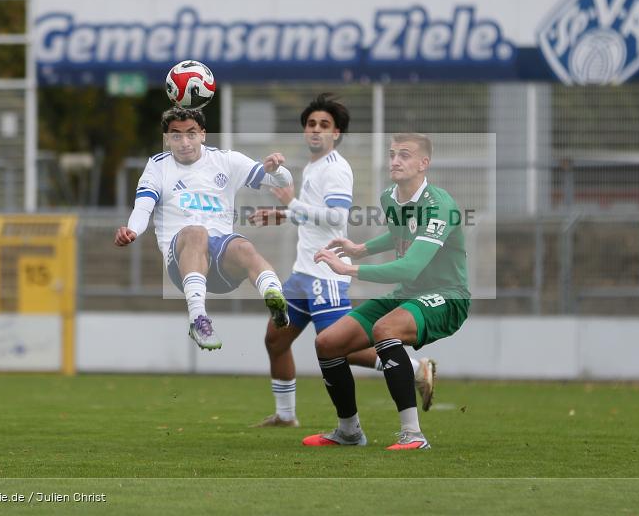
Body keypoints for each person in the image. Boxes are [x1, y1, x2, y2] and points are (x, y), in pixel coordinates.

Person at [248, 94, 437, 428]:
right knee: (275, 340)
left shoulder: (336, 169)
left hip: (326, 275)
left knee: (341, 348)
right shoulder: (312, 167)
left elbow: (336, 217)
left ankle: (415, 367)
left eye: (324, 125)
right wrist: (281, 213)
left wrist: (291, 203)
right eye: (311, 124)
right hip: (302, 274)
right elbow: (311, 215)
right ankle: (286, 415)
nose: (316, 130)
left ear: (336, 133)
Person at [303, 132, 470, 450]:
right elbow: (399, 233)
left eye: (404, 155)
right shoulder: (390, 198)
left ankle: (414, 436)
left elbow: (409, 267)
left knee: (385, 329)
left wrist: (349, 268)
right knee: (328, 343)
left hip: (448, 295)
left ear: (424, 163)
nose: (395, 160)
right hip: (408, 293)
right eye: (392, 153)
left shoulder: (440, 206)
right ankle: (348, 432)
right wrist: (360, 249)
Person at [114, 106, 292, 351]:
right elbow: (143, 207)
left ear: (203, 135)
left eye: (191, 134)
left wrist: (277, 170)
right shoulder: (157, 166)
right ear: (167, 139)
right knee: (196, 232)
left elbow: (284, 182)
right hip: (181, 260)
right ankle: (198, 319)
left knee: (243, 246)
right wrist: (133, 230)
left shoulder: (226, 160)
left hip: (221, 261)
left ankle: (275, 298)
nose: (184, 142)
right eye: (176, 135)